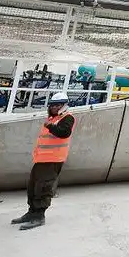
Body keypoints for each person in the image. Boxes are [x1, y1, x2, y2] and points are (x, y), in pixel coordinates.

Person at [11, 92, 76, 230]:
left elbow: (64, 133)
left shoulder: (67, 118)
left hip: (53, 159)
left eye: (58, 105)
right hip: (42, 159)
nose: (54, 108)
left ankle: (39, 216)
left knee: (43, 187)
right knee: (33, 186)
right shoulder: (53, 119)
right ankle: (31, 212)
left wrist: (50, 126)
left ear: (64, 106)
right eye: (52, 105)